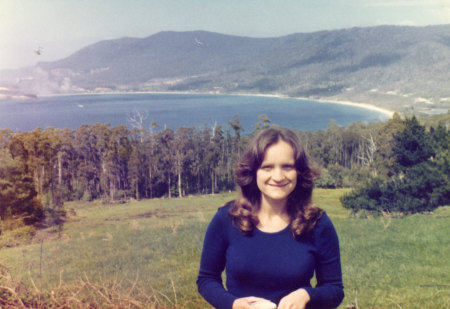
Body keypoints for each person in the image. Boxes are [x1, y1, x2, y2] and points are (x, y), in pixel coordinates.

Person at [197, 127, 344, 309]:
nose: (278, 176)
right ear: (253, 172)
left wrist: (307, 295)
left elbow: (334, 289)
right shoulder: (227, 219)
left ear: (299, 171)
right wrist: (233, 304)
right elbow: (206, 279)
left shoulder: (317, 223)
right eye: (267, 167)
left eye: (287, 167)